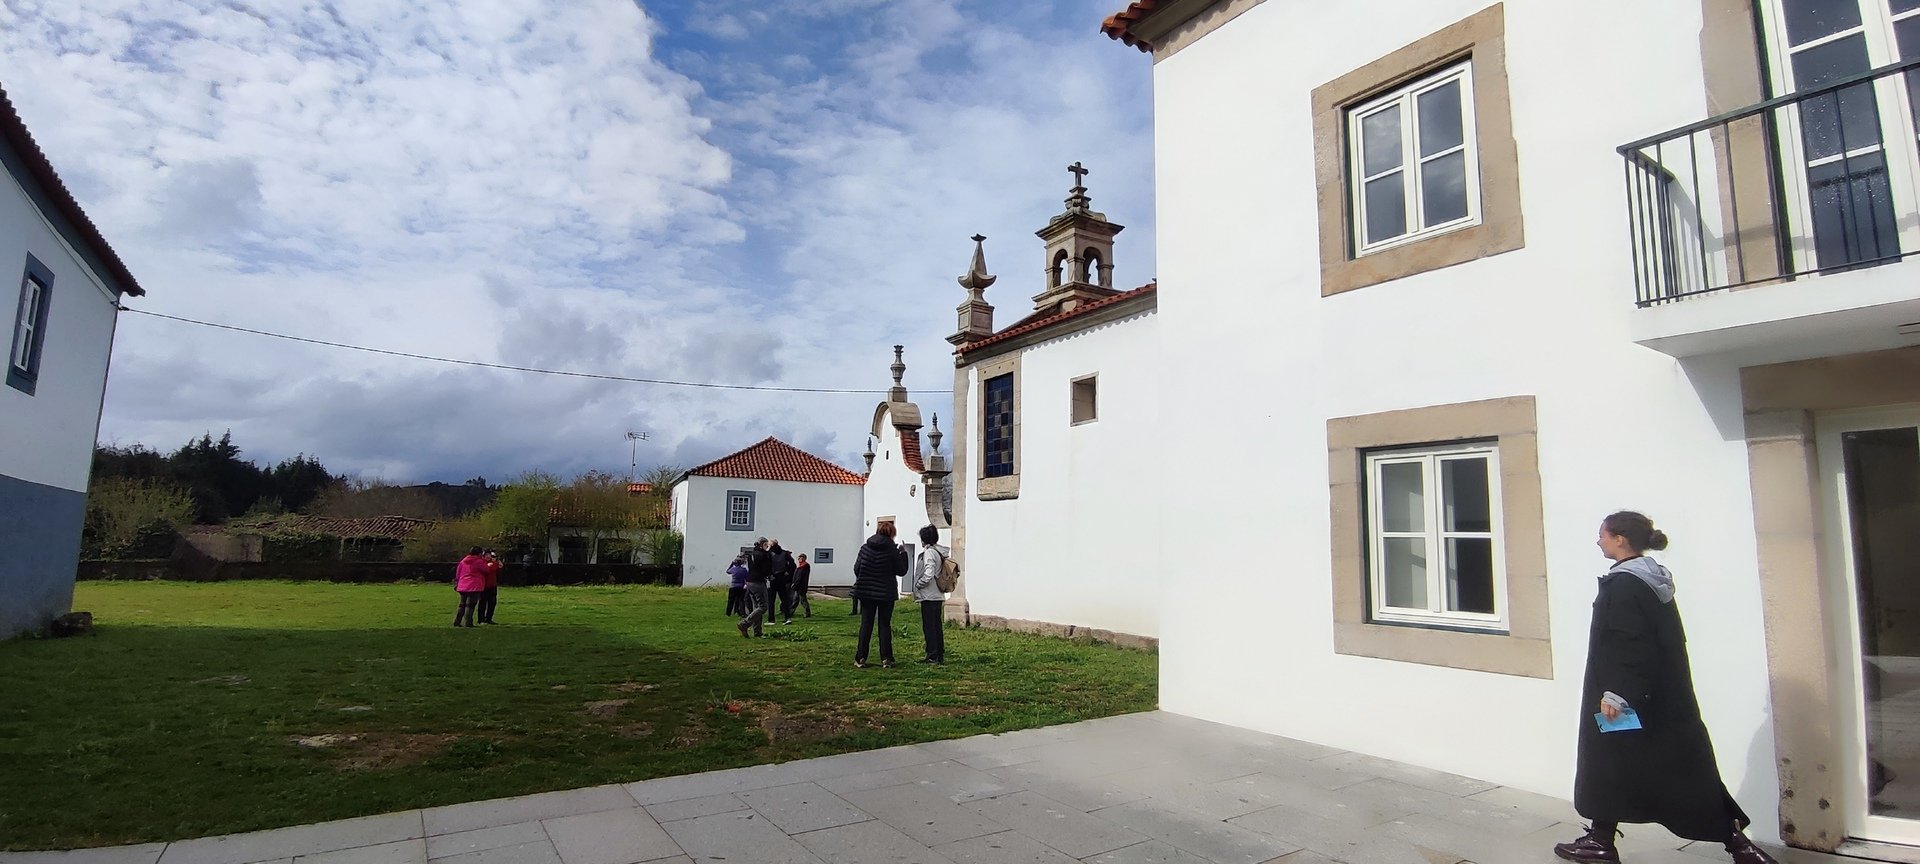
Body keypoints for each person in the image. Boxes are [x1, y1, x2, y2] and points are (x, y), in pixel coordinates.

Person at [1554, 512, 1776, 864]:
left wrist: (1616, 694)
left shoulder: (1625, 585)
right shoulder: (1650, 581)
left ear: (1620, 539)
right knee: (1638, 767)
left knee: (1626, 764)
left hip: (1625, 699)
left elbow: (1630, 643)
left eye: (1603, 535)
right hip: (1655, 696)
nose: (1599, 541)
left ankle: (1738, 845)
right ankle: (1601, 840)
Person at [851, 521, 908, 668]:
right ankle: (886, 658)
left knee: (866, 624)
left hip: (866, 591)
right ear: (891, 534)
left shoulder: (865, 548)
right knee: (884, 624)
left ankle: (861, 657)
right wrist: (903, 554)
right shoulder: (892, 550)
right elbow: (901, 571)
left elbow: (857, 568)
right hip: (886, 592)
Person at [910, 525, 948, 664]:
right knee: (936, 626)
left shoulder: (929, 553)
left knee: (929, 626)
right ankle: (938, 653)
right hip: (937, 594)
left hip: (929, 595)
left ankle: (932, 654)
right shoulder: (938, 551)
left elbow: (929, 573)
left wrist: (919, 584)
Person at [737, 537, 772, 638]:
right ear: (762, 544)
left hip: (749, 582)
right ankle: (744, 624)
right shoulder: (764, 555)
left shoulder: (751, 555)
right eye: (766, 545)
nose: (767, 547)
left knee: (756, 607)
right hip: (758, 582)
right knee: (763, 606)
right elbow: (766, 569)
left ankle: (757, 632)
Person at [452, 546, 489, 628]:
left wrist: (457, 582)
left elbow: (458, 573)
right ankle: (468, 622)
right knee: (470, 605)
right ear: (479, 553)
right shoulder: (479, 561)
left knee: (462, 605)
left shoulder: (463, 561)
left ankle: (457, 621)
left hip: (463, 585)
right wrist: (485, 561)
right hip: (474, 585)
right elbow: (486, 570)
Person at [768, 539, 796, 624]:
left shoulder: (769, 554)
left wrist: (769, 574)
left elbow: (767, 565)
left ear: (771, 545)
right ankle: (787, 617)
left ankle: (771, 619)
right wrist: (787, 572)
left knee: (771, 600)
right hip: (782, 577)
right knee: (784, 599)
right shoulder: (784, 553)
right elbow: (792, 564)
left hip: (773, 577)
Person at [477, 548, 502, 624]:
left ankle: (489, 618)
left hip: (492, 585)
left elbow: (499, 569)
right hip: (484, 586)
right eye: (486, 555)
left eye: (489, 555)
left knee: (492, 603)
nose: (488, 556)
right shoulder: (482, 563)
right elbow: (488, 570)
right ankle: (481, 619)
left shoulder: (493, 563)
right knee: (482, 603)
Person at [792, 553, 814, 618]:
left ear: (803, 558)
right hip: (799, 586)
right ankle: (790, 612)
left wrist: (795, 584)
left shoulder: (804, 566)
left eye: (800, 558)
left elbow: (799, 577)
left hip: (801, 586)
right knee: (796, 600)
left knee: (802, 600)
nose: (798, 559)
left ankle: (807, 613)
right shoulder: (801, 566)